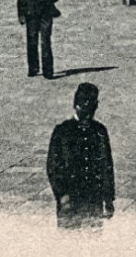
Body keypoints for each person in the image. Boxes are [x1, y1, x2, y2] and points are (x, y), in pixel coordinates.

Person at [46, 82, 114, 228]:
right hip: (70, 200)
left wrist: (108, 198)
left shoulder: (99, 131)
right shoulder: (62, 131)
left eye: (93, 108)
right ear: (77, 106)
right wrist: (62, 195)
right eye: (86, 109)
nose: (89, 115)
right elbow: (53, 167)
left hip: (93, 199)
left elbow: (106, 165)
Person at [18, 0, 62, 78]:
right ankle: (33, 68)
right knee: (31, 42)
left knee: (45, 42)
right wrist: (21, 14)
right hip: (31, 15)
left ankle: (48, 71)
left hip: (45, 14)